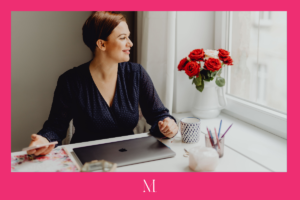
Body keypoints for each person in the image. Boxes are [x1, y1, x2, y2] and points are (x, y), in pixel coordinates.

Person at [27, 11, 178, 156]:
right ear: (102, 44)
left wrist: (168, 125)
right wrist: (44, 139)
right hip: (87, 162)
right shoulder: (71, 81)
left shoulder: (136, 73)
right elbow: (55, 127)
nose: (130, 43)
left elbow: (159, 115)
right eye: (122, 38)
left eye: (129, 37)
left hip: (129, 156)